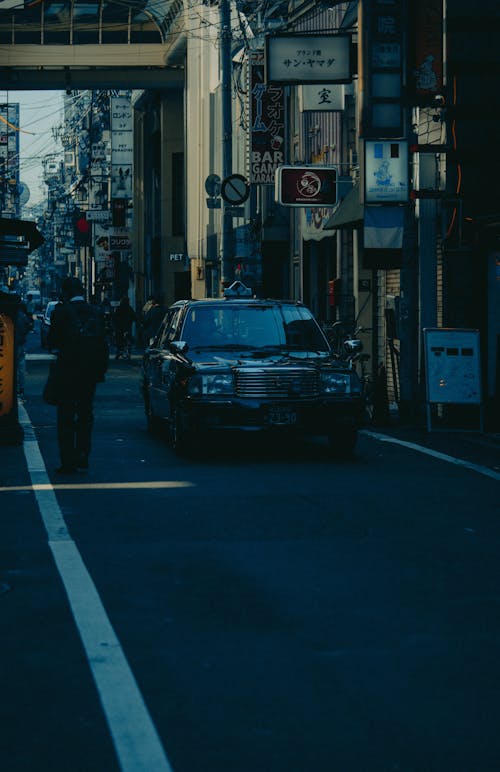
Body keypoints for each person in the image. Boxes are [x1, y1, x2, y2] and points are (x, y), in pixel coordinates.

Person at [47, 277, 109, 474]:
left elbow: (52, 342)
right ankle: (84, 454)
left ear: (65, 292)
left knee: (65, 416)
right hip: (89, 372)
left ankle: (68, 460)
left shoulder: (60, 312)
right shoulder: (95, 311)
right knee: (85, 413)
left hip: (67, 371)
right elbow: (103, 343)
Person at [15, 300, 32, 399]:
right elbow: (28, 326)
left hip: (14, 343)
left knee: (16, 366)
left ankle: (16, 387)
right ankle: (21, 388)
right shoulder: (23, 316)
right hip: (21, 342)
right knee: (21, 367)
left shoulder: (11, 315)